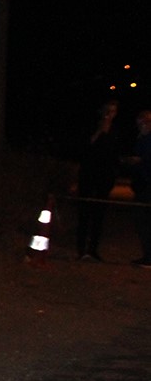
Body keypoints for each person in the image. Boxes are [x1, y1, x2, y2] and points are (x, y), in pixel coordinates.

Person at [76, 101, 121, 261]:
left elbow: (115, 152)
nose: (110, 114)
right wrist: (99, 131)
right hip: (88, 175)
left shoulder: (115, 130)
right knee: (84, 212)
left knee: (99, 214)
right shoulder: (92, 125)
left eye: (113, 111)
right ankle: (81, 248)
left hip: (105, 176)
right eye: (108, 110)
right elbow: (85, 146)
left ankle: (93, 249)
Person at [131, 110, 151, 267]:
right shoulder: (142, 138)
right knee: (141, 220)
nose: (141, 126)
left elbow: (143, 158)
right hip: (142, 183)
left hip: (147, 184)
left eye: (143, 122)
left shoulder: (146, 139)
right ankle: (147, 255)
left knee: (143, 220)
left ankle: (149, 257)